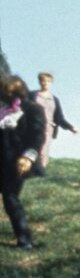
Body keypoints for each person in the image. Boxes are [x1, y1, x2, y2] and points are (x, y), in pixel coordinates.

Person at [1, 75, 46, 250]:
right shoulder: (3, 111)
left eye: (7, 91)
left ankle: (25, 241)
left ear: (17, 92)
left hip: (18, 163)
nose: (4, 95)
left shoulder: (33, 109)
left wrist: (28, 157)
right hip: (2, 160)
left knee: (10, 198)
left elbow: (37, 136)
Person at [29, 72, 78, 172]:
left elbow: (59, 118)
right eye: (43, 81)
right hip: (33, 126)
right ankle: (29, 170)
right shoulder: (32, 95)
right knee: (33, 148)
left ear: (51, 83)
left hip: (48, 129)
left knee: (44, 151)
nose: (45, 83)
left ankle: (40, 172)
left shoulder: (55, 100)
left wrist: (71, 127)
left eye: (48, 81)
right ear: (39, 82)